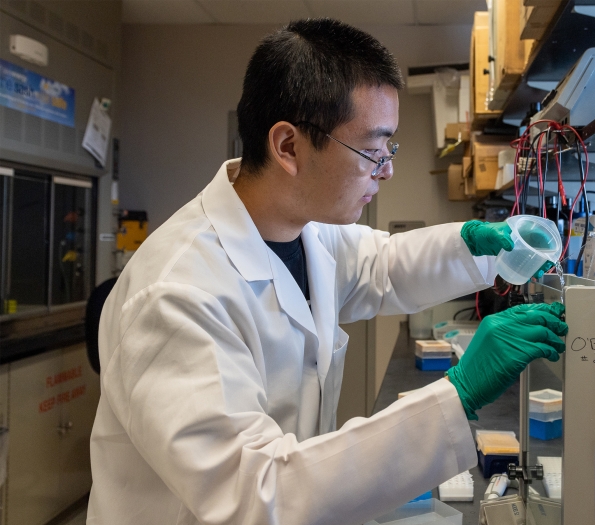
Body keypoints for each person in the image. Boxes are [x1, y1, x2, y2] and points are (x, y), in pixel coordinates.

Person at [87, 18, 567, 525]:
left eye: (389, 150)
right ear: (289, 146)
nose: (386, 170)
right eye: (372, 151)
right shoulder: (176, 294)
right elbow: (257, 492)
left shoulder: (305, 229)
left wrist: (478, 248)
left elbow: (382, 266)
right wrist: (458, 393)